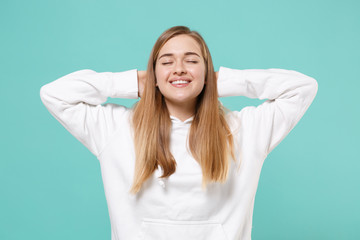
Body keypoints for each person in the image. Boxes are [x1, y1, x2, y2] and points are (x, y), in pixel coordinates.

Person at [40, 26, 318, 240]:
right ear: (153, 74)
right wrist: (133, 82)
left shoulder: (245, 130)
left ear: (207, 71)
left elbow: (302, 88)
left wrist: (221, 82)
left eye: (191, 61)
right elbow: (54, 94)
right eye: (167, 62)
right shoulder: (115, 128)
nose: (179, 69)